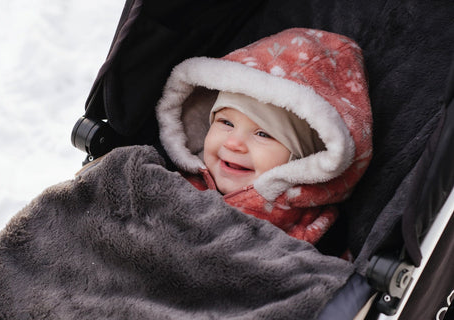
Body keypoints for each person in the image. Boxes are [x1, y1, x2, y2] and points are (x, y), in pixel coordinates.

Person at [156, 27, 373, 244]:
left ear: (305, 160)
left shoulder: (317, 230)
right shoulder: (172, 187)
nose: (233, 143)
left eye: (263, 134)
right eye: (226, 122)